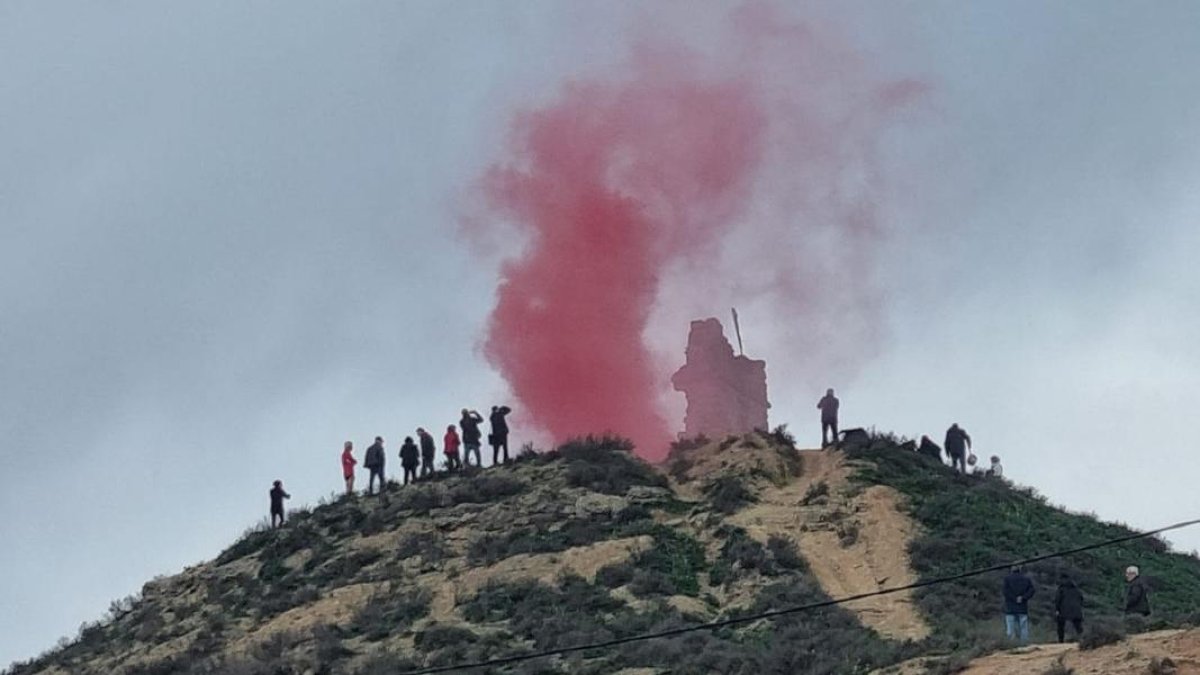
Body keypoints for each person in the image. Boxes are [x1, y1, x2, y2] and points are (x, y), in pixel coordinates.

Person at [1002, 565, 1036, 644]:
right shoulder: (1026, 579)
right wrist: (1023, 598)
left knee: (1010, 628)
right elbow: (1032, 590)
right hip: (1022, 607)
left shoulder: (1007, 579)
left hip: (1010, 607)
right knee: (1023, 627)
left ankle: (1011, 643)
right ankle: (1024, 643)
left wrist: (1014, 598)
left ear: (1011, 569)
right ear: (1020, 569)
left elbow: (1005, 591)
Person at [1054, 574, 1084, 642]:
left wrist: (1057, 609)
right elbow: (1081, 598)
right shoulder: (1076, 589)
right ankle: (1081, 638)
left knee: (1060, 625)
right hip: (1076, 609)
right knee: (1078, 625)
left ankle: (1061, 640)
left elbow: (1057, 600)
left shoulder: (1061, 589)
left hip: (1063, 609)